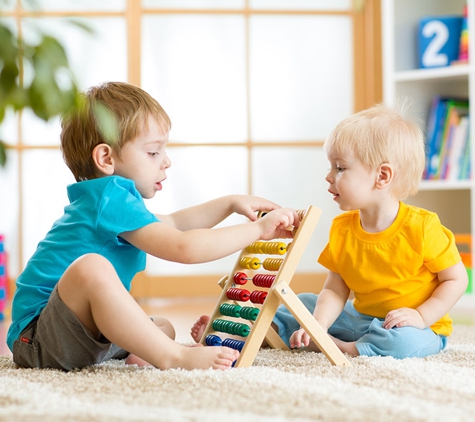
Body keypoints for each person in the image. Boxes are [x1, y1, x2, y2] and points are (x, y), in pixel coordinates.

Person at [6, 81, 300, 371]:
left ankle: (141, 353)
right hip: (36, 338)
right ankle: (175, 357)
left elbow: (175, 223)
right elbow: (183, 247)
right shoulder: (109, 199)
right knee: (91, 267)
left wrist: (229, 203)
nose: (166, 161)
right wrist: (257, 231)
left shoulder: (110, 202)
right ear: (106, 158)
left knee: (161, 327)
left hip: (78, 335)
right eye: (153, 152)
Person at [271, 101, 469, 359]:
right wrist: (319, 323)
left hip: (411, 326)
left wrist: (421, 316)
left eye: (340, 168)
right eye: (331, 166)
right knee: (302, 302)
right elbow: (334, 288)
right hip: (359, 317)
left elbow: (456, 279)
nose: (329, 176)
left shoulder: (422, 226)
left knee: (404, 343)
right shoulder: (342, 228)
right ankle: (282, 330)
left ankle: (346, 348)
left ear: (382, 176)